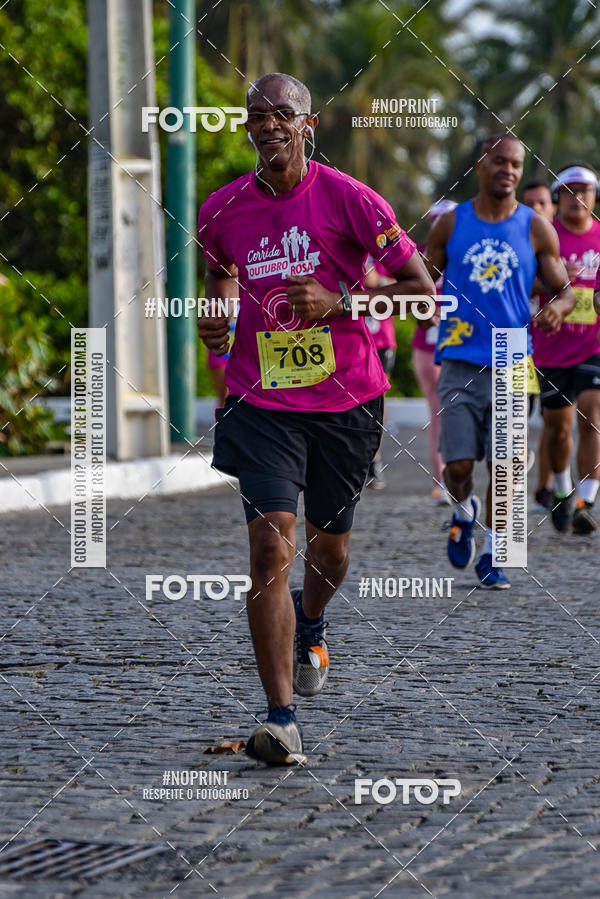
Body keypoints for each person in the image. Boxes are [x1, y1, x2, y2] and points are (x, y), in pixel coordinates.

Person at [197, 72, 435, 765]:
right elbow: (219, 275)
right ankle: (280, 718)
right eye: (257, 116)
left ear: (310, 125)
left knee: (328, 552)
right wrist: (218, 313)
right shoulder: (221, 209)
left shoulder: (352, 200)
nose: (269, 124)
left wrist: (343, 303)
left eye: (283, 114)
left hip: (346, 402)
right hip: (261, 399)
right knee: (272, 545)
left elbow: (425, 294)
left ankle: (313, 617)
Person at [425, 134, 574, 589]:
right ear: (481, 165)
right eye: (499, 161)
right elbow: (421, 277)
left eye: (515, 163)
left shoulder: (535, 227)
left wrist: (556, 308)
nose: (508, 170)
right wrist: (423, 303)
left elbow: (565, 291)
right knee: (459, 467)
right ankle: (462, 510)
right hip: (458, 356)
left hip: (512, 357)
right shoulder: (452, 224)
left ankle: (493, 554)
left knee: (507, 466)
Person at [532, 163, 600, 534]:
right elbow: (521, 287)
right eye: (569, 191)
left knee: (592, 416)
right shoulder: (544, 236)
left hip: (594, 346)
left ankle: (585, 501)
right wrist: (556, 284)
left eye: (585, 191)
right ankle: (561, 491)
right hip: (551, 347)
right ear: (558, 198)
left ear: (595, 198)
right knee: (558, 429)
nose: (578, 199)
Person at [414, 199, 457, 506]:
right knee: (443, 412)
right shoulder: (422, 255)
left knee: (442, 413)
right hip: (432, 345)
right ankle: (445, 482)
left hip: (456, 344)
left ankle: (445, 482)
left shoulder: (419, 255)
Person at [520, 181, 556, 510]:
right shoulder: (514, 239)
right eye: (529, 203)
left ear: (553, 207)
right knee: (521, 418)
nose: (536, 209)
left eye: (542, 203)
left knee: (554, 420)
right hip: (519, 347)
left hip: (556, 349)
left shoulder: (555, 244)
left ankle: (547, 486)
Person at [363, 255, 396, 489]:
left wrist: (379, 280)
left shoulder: (383, 245)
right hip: (347, 338)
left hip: (381, 340)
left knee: (377, 400)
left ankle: (374, 459)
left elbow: (414, 282)